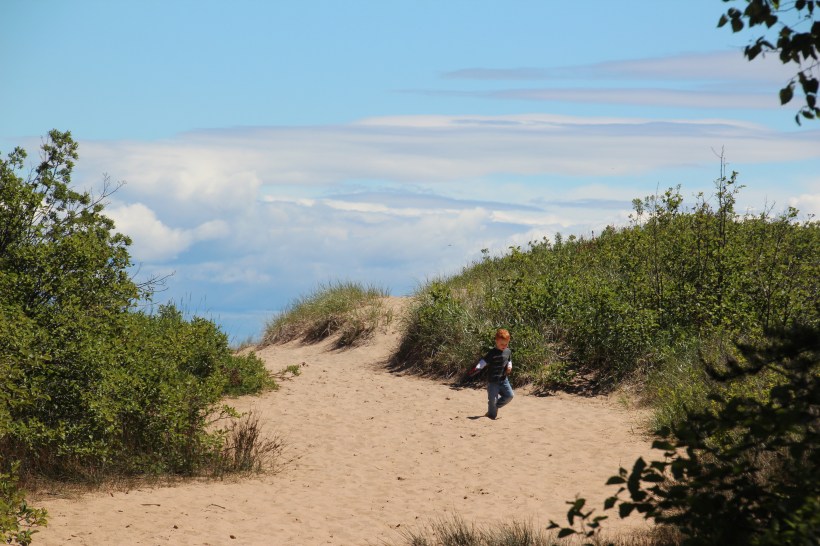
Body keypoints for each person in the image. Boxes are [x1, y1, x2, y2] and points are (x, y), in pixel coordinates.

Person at [467, 328, 514, 419]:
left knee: (510, 396)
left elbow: (509, 360)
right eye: (501, 344)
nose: (504, 346)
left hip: (504, 380)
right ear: (496, 341)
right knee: (492, 400)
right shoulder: (492, 352)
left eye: (506, 344)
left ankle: (495, 407)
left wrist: (510, 366)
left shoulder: (508, 351)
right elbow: (483, 361)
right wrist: (477, 368)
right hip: (492, 381)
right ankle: (491, 415)